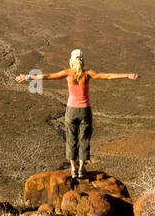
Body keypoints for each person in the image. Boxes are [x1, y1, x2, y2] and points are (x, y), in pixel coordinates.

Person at [15, 49, 139, 179]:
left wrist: (27, 77)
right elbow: (108, 76)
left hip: (71, 111)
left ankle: (73, 168)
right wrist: (127, 75)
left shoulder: (68, 73)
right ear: (83, 60)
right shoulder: (88, 73)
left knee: (71, 138)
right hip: (85, 110)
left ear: (71, 60)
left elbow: (47, 76)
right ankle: (81, 168)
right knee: (84, 138)